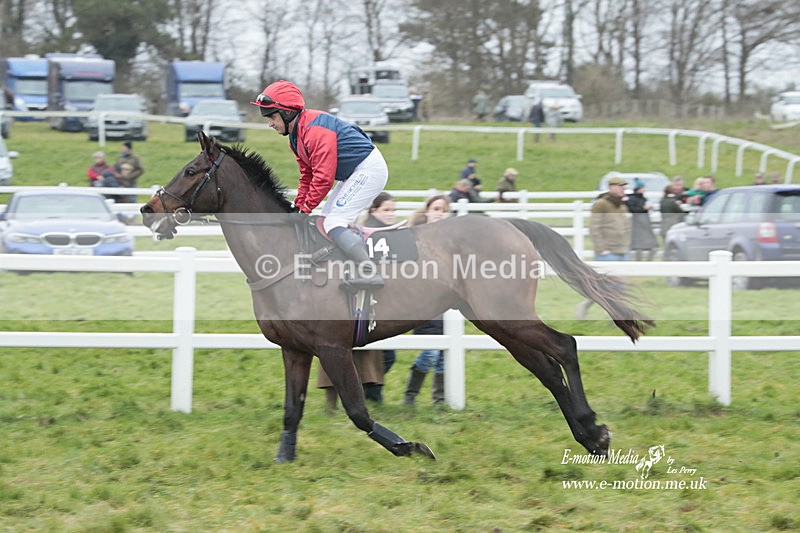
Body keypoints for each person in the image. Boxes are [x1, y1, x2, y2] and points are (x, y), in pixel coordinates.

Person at [252, 79, 387, 288]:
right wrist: (297, 207)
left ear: (287, 112)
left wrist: (305, 209)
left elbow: (323, 178)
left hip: (368, 169)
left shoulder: (315, 130)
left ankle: (370, 272)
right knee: (325, 221)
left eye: (271, 116)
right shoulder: (296, 137)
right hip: (354, 172)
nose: (269, 123)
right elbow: (307, 175)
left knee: (334, 222)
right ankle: (343, 266)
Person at [404, 195, 451, 406]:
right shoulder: (417, 237)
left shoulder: (453, 239)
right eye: (436, 208)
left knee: (443, 356)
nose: (440, 213)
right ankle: (410, 395)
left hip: (447, 302)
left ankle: (439, 400)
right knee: (430, 353)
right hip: (423, 301)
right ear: (428, 211)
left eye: (444, 209)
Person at [576, 176, 630, 319]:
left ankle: (616, 317)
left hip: (622, 251)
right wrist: (602, 248)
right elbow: (594, 227)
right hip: (608, 252)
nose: (623, 189)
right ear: (612, 187)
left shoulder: (622, 206)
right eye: (620, 186)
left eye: (624, 187)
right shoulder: (601, 204)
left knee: (621, 287)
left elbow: (625, 227)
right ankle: (586, 306)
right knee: (607, 287)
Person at [626, 179, 658, 261]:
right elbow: (632, 209)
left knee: (653, 246)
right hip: (637, 225)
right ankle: (638, 262)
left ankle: (648, 262)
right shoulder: (632, 198)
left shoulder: (643, 198)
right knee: (638, 247)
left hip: (645, 224)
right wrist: (643, 208)